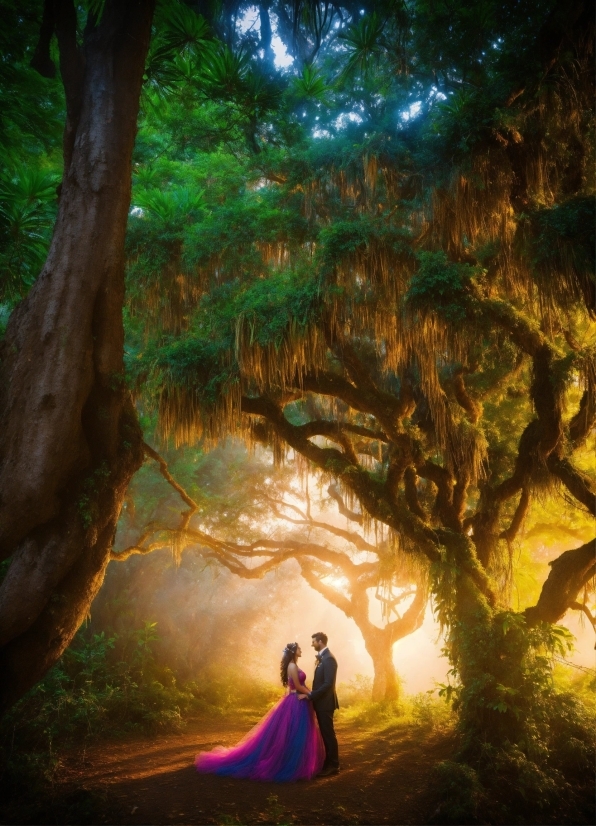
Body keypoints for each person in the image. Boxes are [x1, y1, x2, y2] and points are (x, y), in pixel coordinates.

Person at [194, 642, 325, 782]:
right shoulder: (292, 666)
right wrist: (312, 694)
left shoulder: (294, 665)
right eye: (299, 648)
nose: (301, 650)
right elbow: (298, 686)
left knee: (297, 734)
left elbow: (294, 685)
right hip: (297, 700)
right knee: (293, 733)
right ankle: (289, 764)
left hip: (298, 699)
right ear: (293, 652)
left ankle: (297, 762)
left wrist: (308, 694)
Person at [299, 632, 340, 776]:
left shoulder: (329, 659)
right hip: (321, 702)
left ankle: (334, 765)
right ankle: (328, 762)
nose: (312, 644)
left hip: (325, 703)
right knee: (324, 733)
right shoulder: (323, 658)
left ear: (320, 641)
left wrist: (311, 695)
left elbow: (328, 684)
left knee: (328, 734)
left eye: (313, 642)